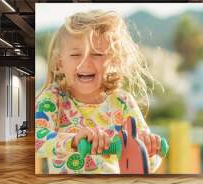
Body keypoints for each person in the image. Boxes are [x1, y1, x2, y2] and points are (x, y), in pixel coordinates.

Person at [35, 10, 163, 174]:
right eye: (75, 54)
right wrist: (73, 140)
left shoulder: (122, 102)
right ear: (59, 63)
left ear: (114, 61)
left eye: (96, 54)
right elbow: (37, 139)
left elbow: (148, 165)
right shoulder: (52, 98)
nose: (84, 62)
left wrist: (149, 149)